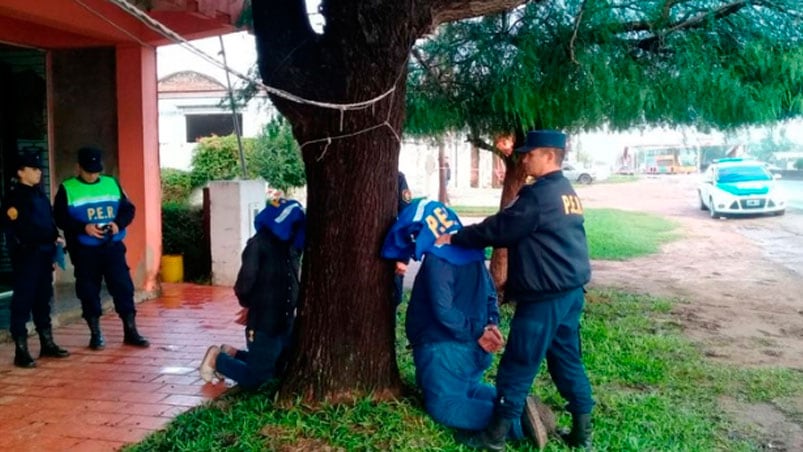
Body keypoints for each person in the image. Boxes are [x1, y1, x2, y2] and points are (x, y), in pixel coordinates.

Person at [436, 130, 594, 451]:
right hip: (570, 293)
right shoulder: (567, 192)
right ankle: (582, 435)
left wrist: (455, 238)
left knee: (518, 363)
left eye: (529, 153)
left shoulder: (538, 196)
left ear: (548, 156)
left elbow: (501, 229)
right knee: (567, 360)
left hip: (544, 299)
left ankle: (493, 438)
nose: (523, 159)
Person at [381, 199, 551, 449]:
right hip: (473, 349)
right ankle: (516, 403)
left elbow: (442, 308)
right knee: (468, 389)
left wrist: (476, 331)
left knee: (444, 406)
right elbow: (491, 294)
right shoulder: (472, 253)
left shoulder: (439, 258)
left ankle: (516, 424)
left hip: (444, 347)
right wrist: (490, 324)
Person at [199, 198, 305, 389]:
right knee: (258, 379)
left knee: (280, 367)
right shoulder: (259, 244)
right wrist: (251, 305)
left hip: (286, 321)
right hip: (264, 322)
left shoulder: (291, 247)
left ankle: (233, 354)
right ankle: (217, 359)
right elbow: (244, 283)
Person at [53, 146, 149, 349]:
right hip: (85, 250)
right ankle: (95, 334)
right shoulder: (67, 188)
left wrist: (118, 224)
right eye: (88, 171)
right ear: (78, 167)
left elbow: (128, 209)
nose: (93, 174)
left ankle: (130, 331)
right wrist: (83, 227)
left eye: (96, 170)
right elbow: (60, 218)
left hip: (112, 246)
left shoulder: (111, 183)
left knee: (123, 287)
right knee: (88, 290)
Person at [1, 149, 70, 367]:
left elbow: (47, 222)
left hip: (44, 254)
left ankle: (46, 342)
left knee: (43, 299)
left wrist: (56, 238)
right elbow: (17, 230)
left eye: (40, 168)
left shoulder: (39, 194)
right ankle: (21, 350)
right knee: (22, 302)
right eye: (33, 169)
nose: (39, 172)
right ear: (21, 172)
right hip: (27, 256)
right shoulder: (14, 198)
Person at [392, 171, 413, 307]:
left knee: (391, 300)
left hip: (391, 251)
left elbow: (407, 217)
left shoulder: (397, 178)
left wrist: (403, 258)